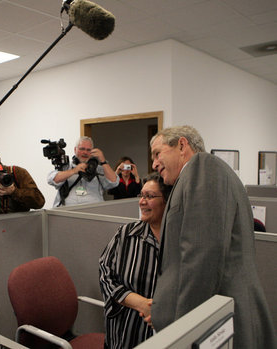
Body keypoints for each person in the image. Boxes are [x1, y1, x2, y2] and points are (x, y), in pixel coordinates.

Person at [150, 125, 276, 348]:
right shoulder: (192, 178)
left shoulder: (202, 167)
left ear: (181, 145)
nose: (154, 164)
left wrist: (184, 331)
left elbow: (202, 258)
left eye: (157, 153)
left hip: (214, 324)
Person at [99, 172, 171, 348]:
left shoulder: (180, 241)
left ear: (167, 201)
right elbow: (105, 274)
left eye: (149, 196)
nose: (142, 201)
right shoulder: (126, 234)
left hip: (167, 332)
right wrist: (140, 303)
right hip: (125, 332)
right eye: (141, 195)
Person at [47, 136, 119, 207]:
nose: (85, 152)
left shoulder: (98, 169)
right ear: (75, 150)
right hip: (68, 213)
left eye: (88, 150)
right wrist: (74, 171)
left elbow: (114, 182)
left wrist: (103, 161)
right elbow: (52, 179)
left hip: (94, 212)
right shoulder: (66, 167)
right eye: (82, 149)